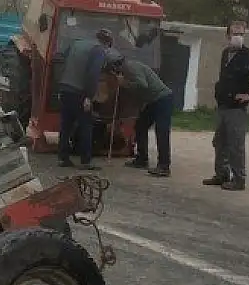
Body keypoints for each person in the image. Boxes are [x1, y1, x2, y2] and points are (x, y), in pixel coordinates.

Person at [201, 21, 249, 191]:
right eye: (234, 33)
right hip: (223, 105)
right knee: (219, 142)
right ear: (228, 36)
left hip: (236, 108)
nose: (238, 37)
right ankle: (221, 175)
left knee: (235, 144)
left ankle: (239, 180)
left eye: (241, 34)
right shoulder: (225, 53)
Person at [55, 28, 113, 170]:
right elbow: (93, 75)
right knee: (86, 126)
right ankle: (85, 161)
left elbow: (61, 62)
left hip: (65, 88)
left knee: (65, 126)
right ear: (107, 43)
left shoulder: (77, 44)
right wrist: (89, 96)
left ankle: (63, 158)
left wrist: (60, 86)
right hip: (79, 92)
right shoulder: (98, 50)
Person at [108, 54, 173, 177]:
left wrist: (124, 84)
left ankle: (164, 166)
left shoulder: (132, 67)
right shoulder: (128, 69)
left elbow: (143, 85)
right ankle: (142, 159)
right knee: (140, 126)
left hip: (162, 99)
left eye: (115, 71)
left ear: (118, 66)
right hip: (152, 101)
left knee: (162, 131)